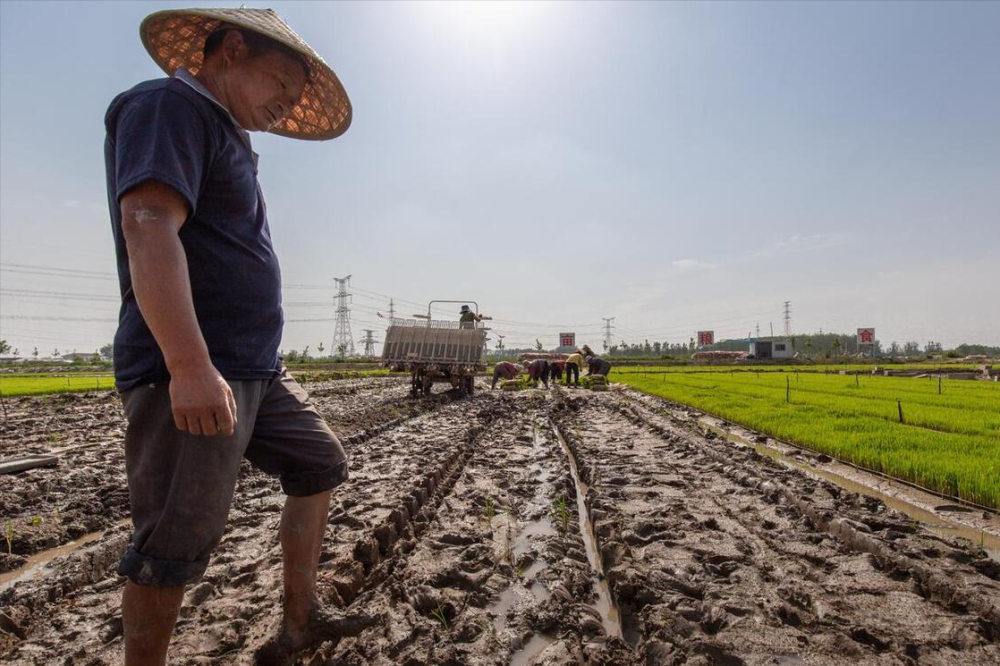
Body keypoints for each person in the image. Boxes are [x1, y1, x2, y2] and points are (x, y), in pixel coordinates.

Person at [105, 8, 368, 666]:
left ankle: (300, 620)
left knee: (319, 464)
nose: (286, 100)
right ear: (226, 50)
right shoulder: (170, 106)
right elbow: (147, 221)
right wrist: (189, 366)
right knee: (173, 543)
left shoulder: (224, 134)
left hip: (254, 368)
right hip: (195, 368)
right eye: (280, 79)